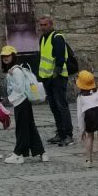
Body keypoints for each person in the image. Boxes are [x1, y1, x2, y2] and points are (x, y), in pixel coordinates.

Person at [0, 44, 46, 165]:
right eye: (3, 56)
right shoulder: (14, 70)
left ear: (13, 56)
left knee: (22, 129)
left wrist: (9, 98)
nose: (5, 58)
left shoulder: (15, 71)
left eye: (8, 55)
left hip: (21, 101)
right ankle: (41, 152)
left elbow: (19, 88)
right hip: (21, 102)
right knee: (30, 127)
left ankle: (18, 153)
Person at [37, 15, 78, 146]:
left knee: (62, 106)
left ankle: (68, 135)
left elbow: (60, 59)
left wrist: (55, 74)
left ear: (51, 24)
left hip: (57, 78)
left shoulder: (57, 37)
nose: (43, 27)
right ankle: (60, 133)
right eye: (41, 25)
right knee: (54, 107)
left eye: (45, 25)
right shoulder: (43, 38)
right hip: (47, 77)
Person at [76, 70, 98, 167]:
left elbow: (80, 114)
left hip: (89, 115)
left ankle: (89, 160)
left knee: (89, 137)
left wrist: (81, 129)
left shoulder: (80, 97)